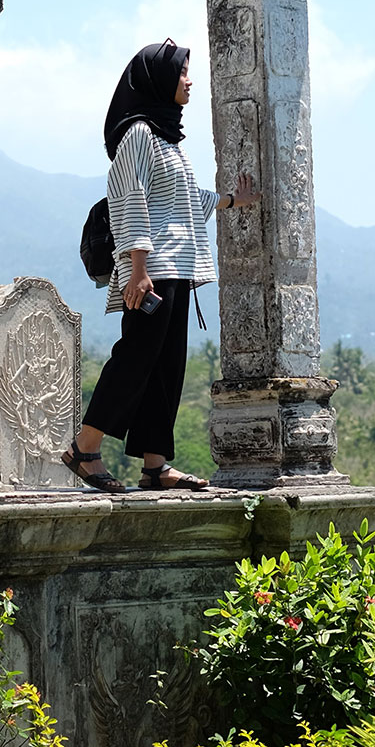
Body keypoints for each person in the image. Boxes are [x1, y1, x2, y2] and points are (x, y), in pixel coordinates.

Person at [61, 38, 259, 492]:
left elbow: (183, 200)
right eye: (182, 72)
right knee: (135, 359)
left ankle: (155, 465)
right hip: (150, 269)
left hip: (178, 267)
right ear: (158, 79)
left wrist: (232, 200)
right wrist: (137, 267)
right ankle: (83, 448)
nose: (189, 81)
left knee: (166, 367)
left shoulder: (168, 139)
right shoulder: (138, 135)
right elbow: (129, 200)